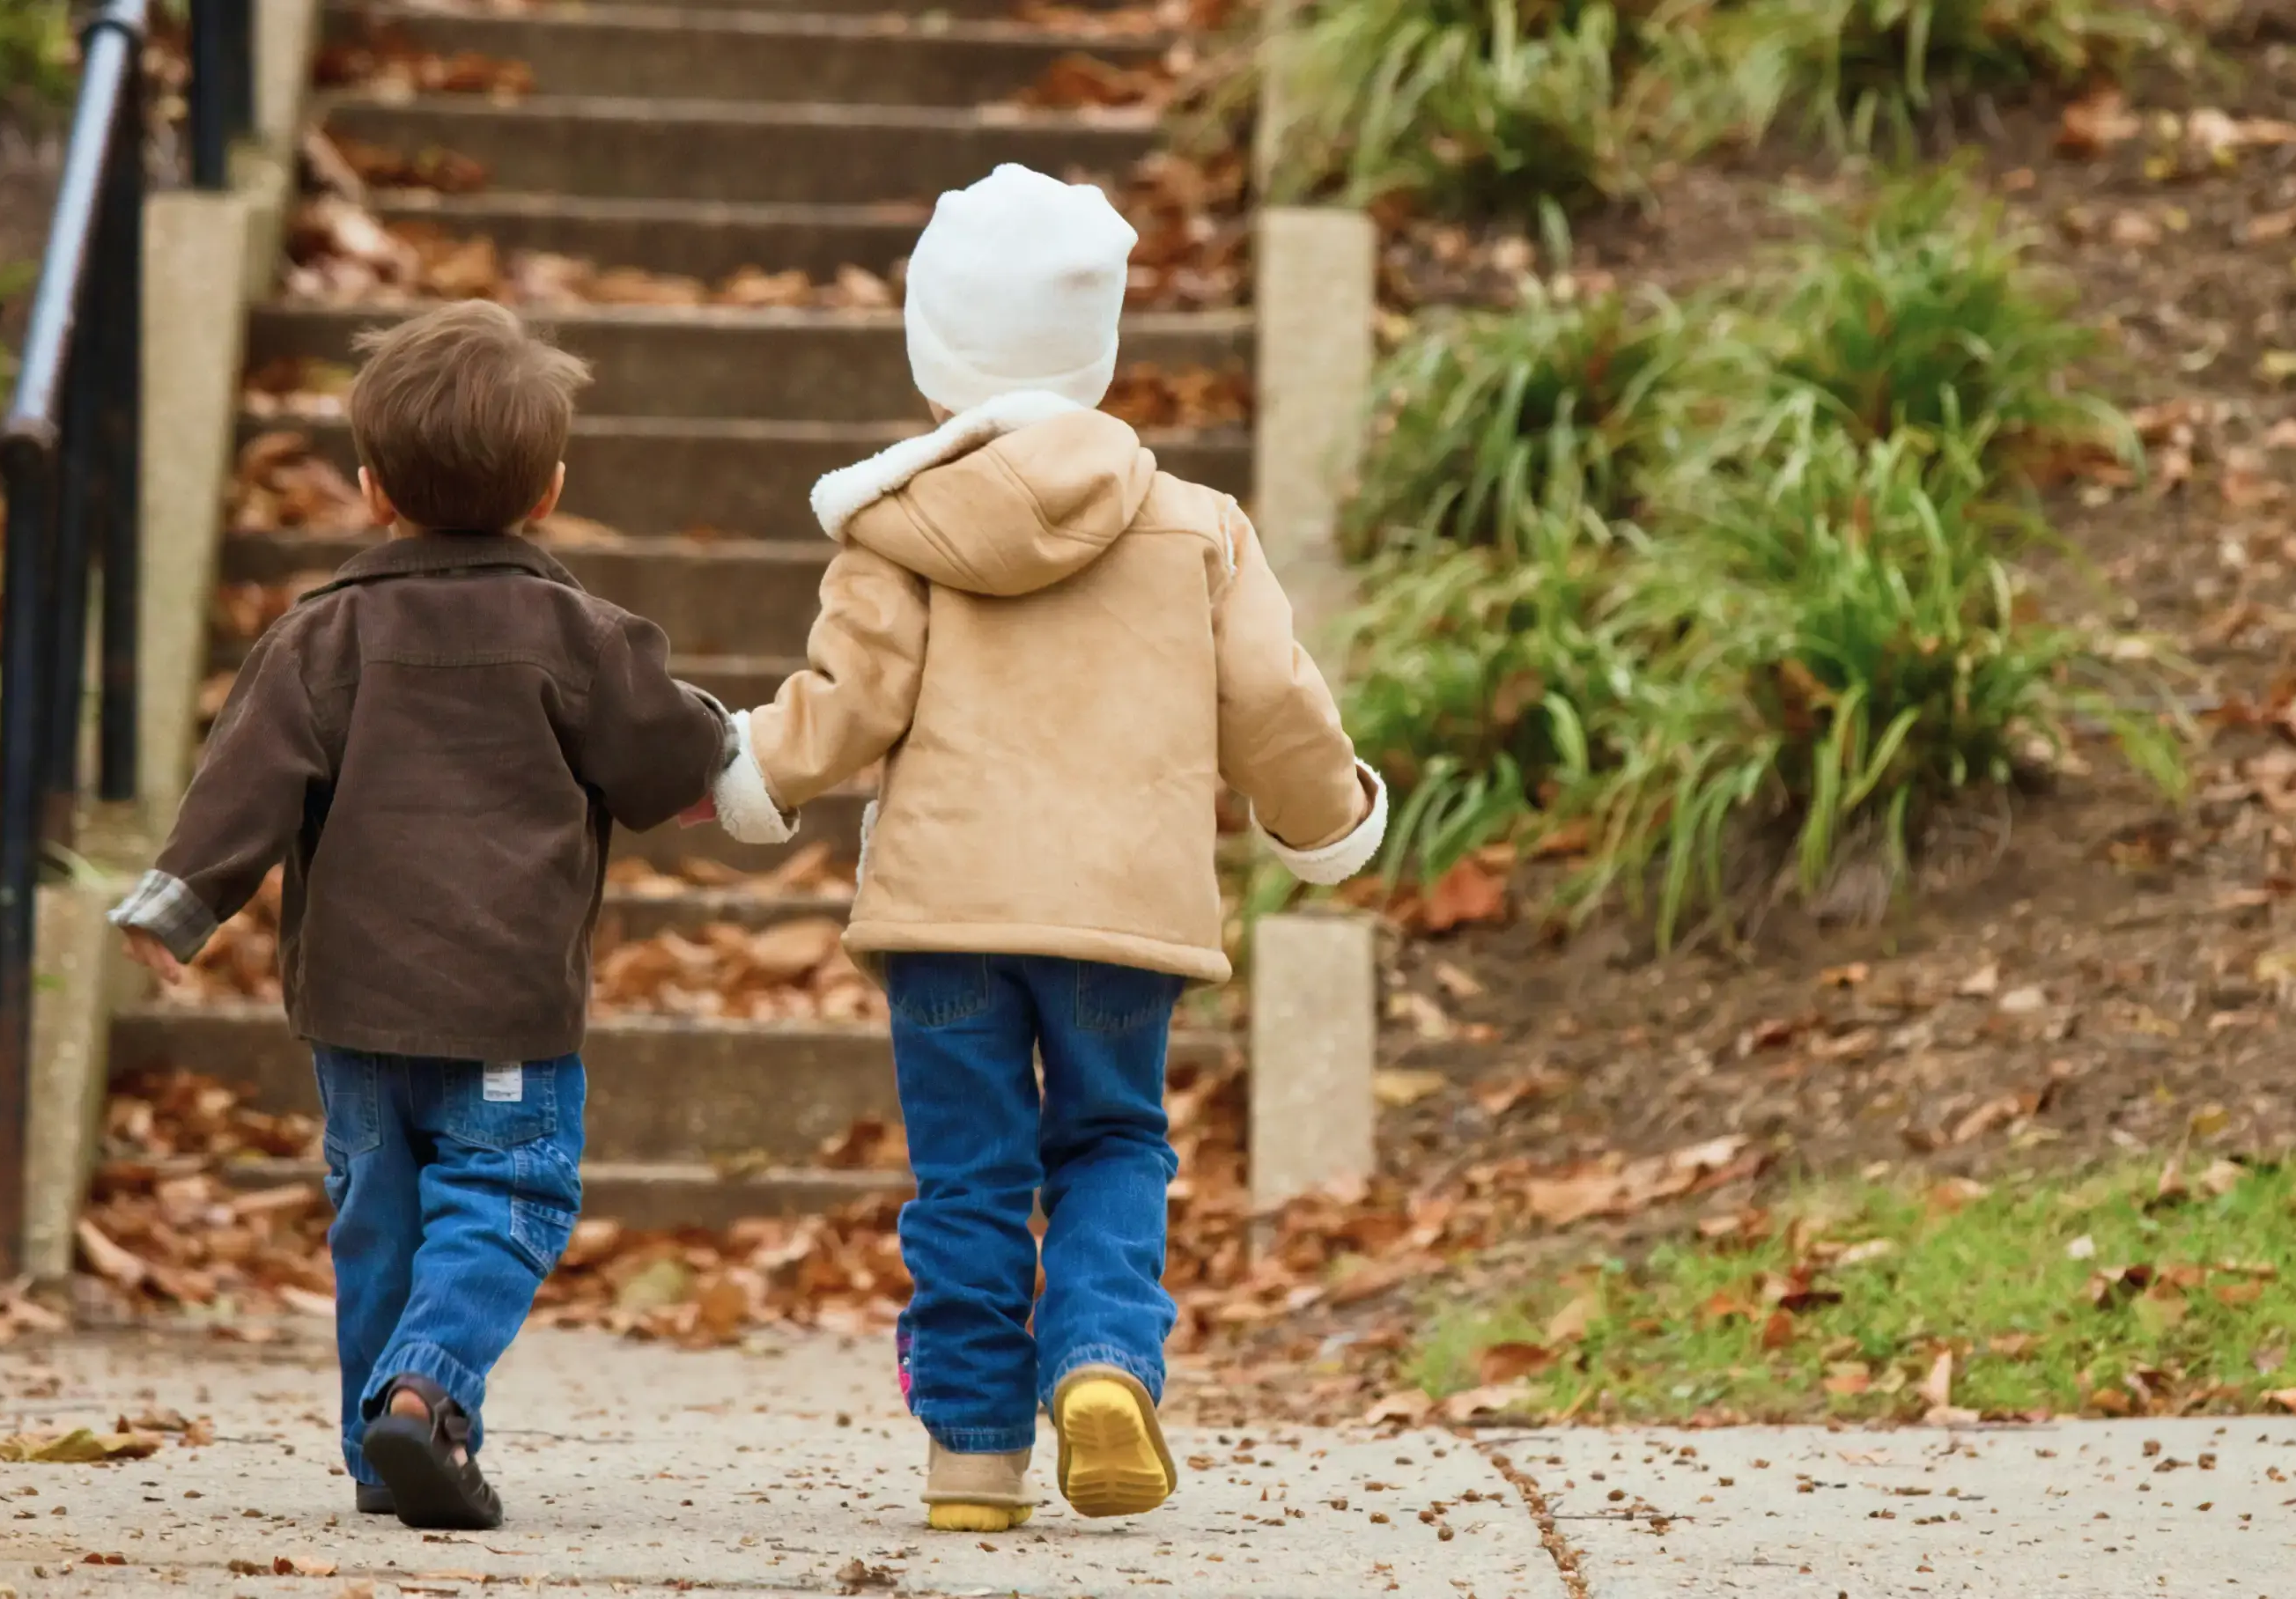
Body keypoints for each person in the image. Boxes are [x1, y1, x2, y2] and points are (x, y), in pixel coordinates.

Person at [710, 162, 1385, 1532]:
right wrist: (1327, 822)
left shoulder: (896, 534)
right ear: (1101, 348)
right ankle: (1098, 1363)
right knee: (1114, 1143)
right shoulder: (1199, 527)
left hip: (945, 915)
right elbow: (1270, 704)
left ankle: (968, 1456)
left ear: (933, 353)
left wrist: (742, 771)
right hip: (1119, 916)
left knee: (970, 1175)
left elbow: (845, 711)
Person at [108, 299, 730, 1530]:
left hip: (354, 1009)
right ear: (547, 492)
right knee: (508, 1199)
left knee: (377, 1219)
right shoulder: (577, 637)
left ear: (371, 488)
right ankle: (421, 1401)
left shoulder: (318, 638)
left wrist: (175, 907)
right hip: (506, 1008)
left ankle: (379, 1450)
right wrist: (726, 776)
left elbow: (244, 782)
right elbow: (668, 752)